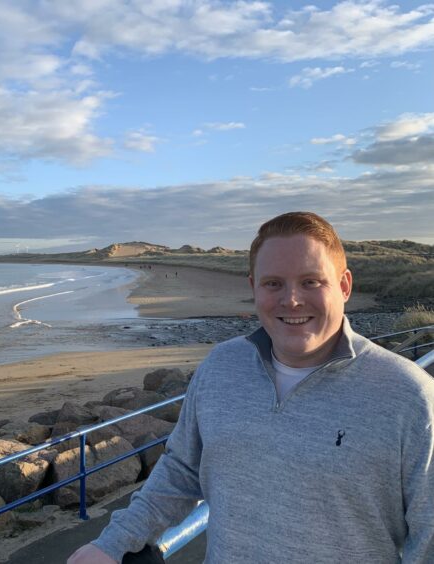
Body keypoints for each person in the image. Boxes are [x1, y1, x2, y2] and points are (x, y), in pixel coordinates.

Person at [68, 211, 434, 563]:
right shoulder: (221, 367)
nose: (291, 299)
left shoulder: (406, 394)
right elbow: (181, 470)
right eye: (273, 283)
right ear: (254, 288)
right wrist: (115, 543)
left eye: (311, 282)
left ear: (344, 286)